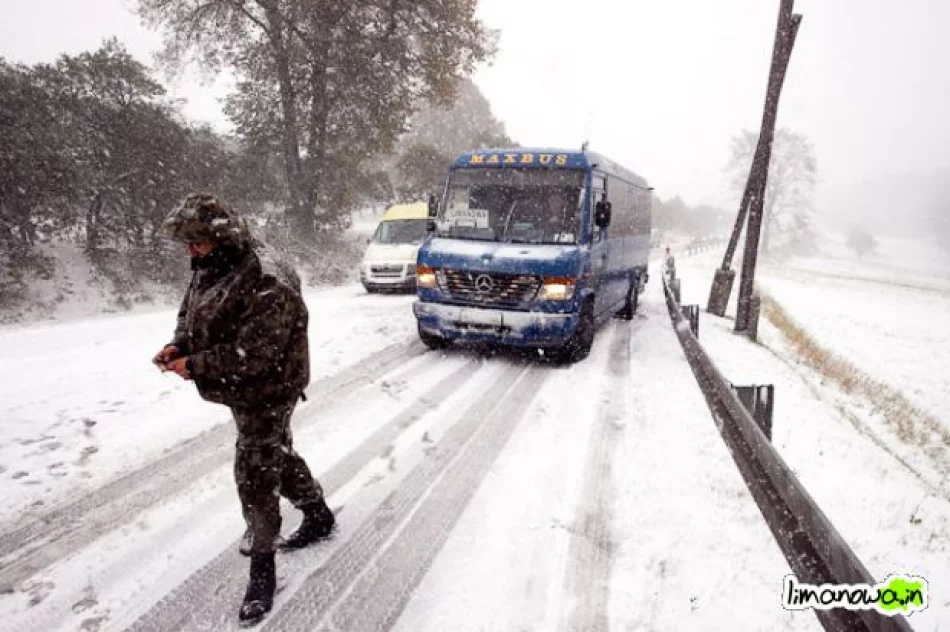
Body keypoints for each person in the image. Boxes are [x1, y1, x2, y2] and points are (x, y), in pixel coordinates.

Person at [152, 193, 335, 624]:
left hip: (270, 387)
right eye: (187, 243)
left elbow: (256, 355)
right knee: (273, 454)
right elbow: (189, 309)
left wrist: (192, 365)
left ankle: (262, 568)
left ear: (220, 238)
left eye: (196, 242)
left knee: (254, 468)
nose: (189, 251)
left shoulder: (265, 278)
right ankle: (318, 513)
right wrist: (179, 343)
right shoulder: (210, 264)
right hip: (239, 386)